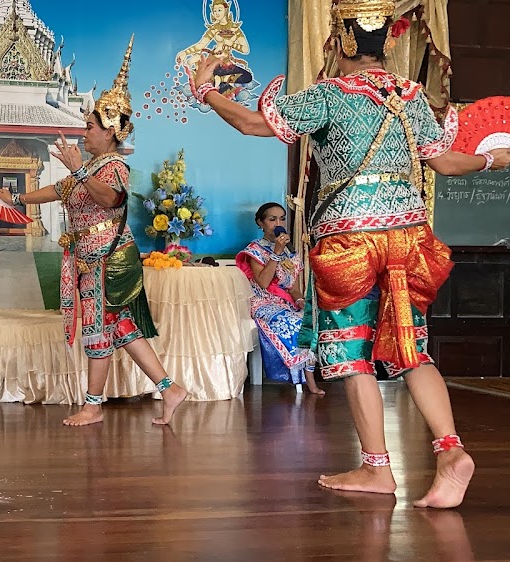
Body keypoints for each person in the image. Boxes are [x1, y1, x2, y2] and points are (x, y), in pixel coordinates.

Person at [192, 0, 510, 508]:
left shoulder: (327, 95)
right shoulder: (410, 96)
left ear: (341, 42)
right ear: (386, 41)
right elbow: (447, 163)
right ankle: (451, 450)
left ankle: (377, 470)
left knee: (351, 352)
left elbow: (255, 125)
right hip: (408, 237)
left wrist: (206, 91)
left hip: (349, 241)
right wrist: (494, 156)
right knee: (413, 348)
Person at [0, 37, 188, 427]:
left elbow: (112, 201)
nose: (84, 133)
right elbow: (51, 192)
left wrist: (78, 169)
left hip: (108, 259)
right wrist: (12, 198)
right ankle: (169, 389)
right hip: (91, 259)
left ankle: (93, 405)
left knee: (99, 328)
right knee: (119, 327)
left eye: (89, 126)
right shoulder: (88, 169)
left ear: (111, 131)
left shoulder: (112, 166)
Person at [236, 203, 323, 395]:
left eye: (282, 218)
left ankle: (309, 376)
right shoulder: (255, 249)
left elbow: (294, 288)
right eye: (272, 219)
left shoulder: (290, 252)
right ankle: (297, 379)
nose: (278, 223)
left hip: (287, 303)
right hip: (263, 303)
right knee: (292, 322)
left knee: (310, 320)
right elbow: (264, 283)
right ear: (260, 223)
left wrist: (301, 302)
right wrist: (275, 252)